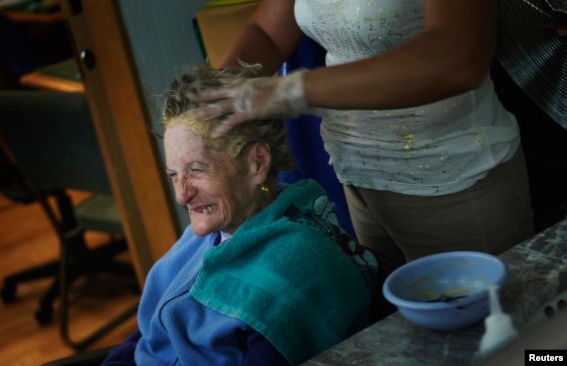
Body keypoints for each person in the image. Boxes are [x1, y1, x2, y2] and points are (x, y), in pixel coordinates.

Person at [188, 0, 535, 310]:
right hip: (358, 182)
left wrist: (289, 92)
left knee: (499, 342)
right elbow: (266, 31)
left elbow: (457, 57)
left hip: (455, 183)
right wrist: (214, 100)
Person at [102, 63, 377, 366]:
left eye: (196, 170)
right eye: (173, 174)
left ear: (256, 163)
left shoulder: (296, 266)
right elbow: (152, 334)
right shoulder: (209, 236)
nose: (182, 194)